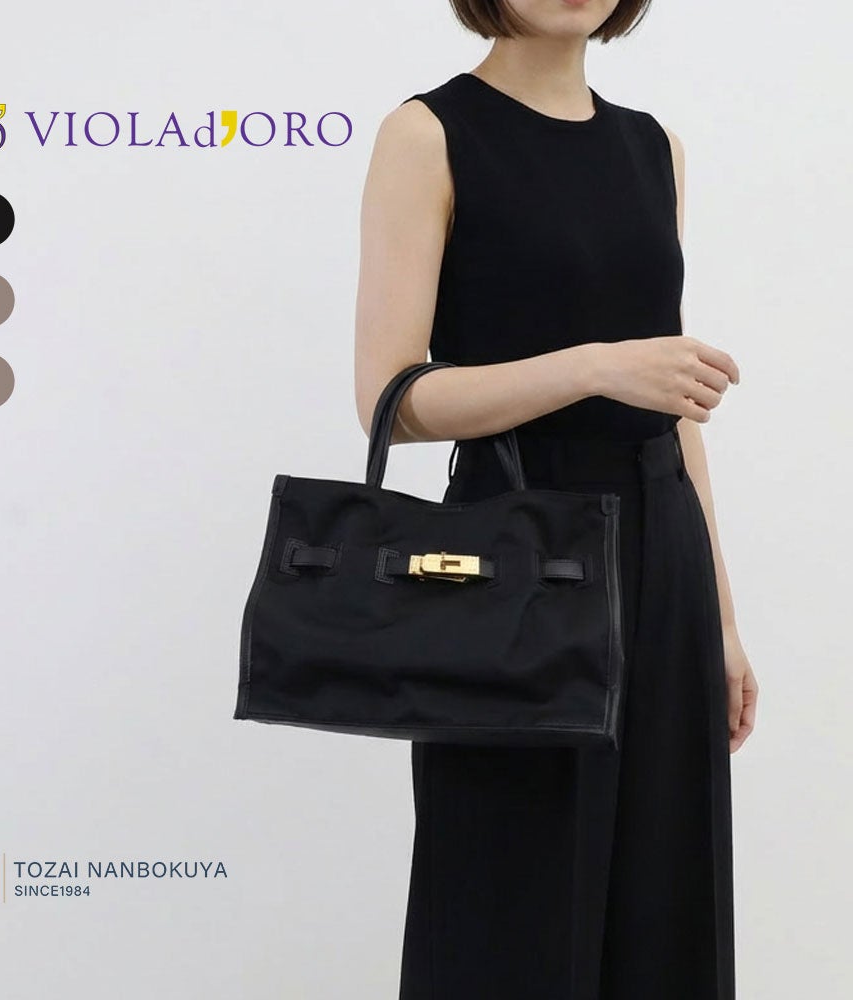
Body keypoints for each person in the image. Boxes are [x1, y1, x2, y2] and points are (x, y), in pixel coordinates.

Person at [353, 2, 759, 997]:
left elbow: (672, 400)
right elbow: (392, 400)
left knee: (664, 895)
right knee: (509, 898)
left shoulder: (650, 147)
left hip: (659, 546)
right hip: (513, 549)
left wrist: (720, 617)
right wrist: (590, 367)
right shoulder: (428, 133)